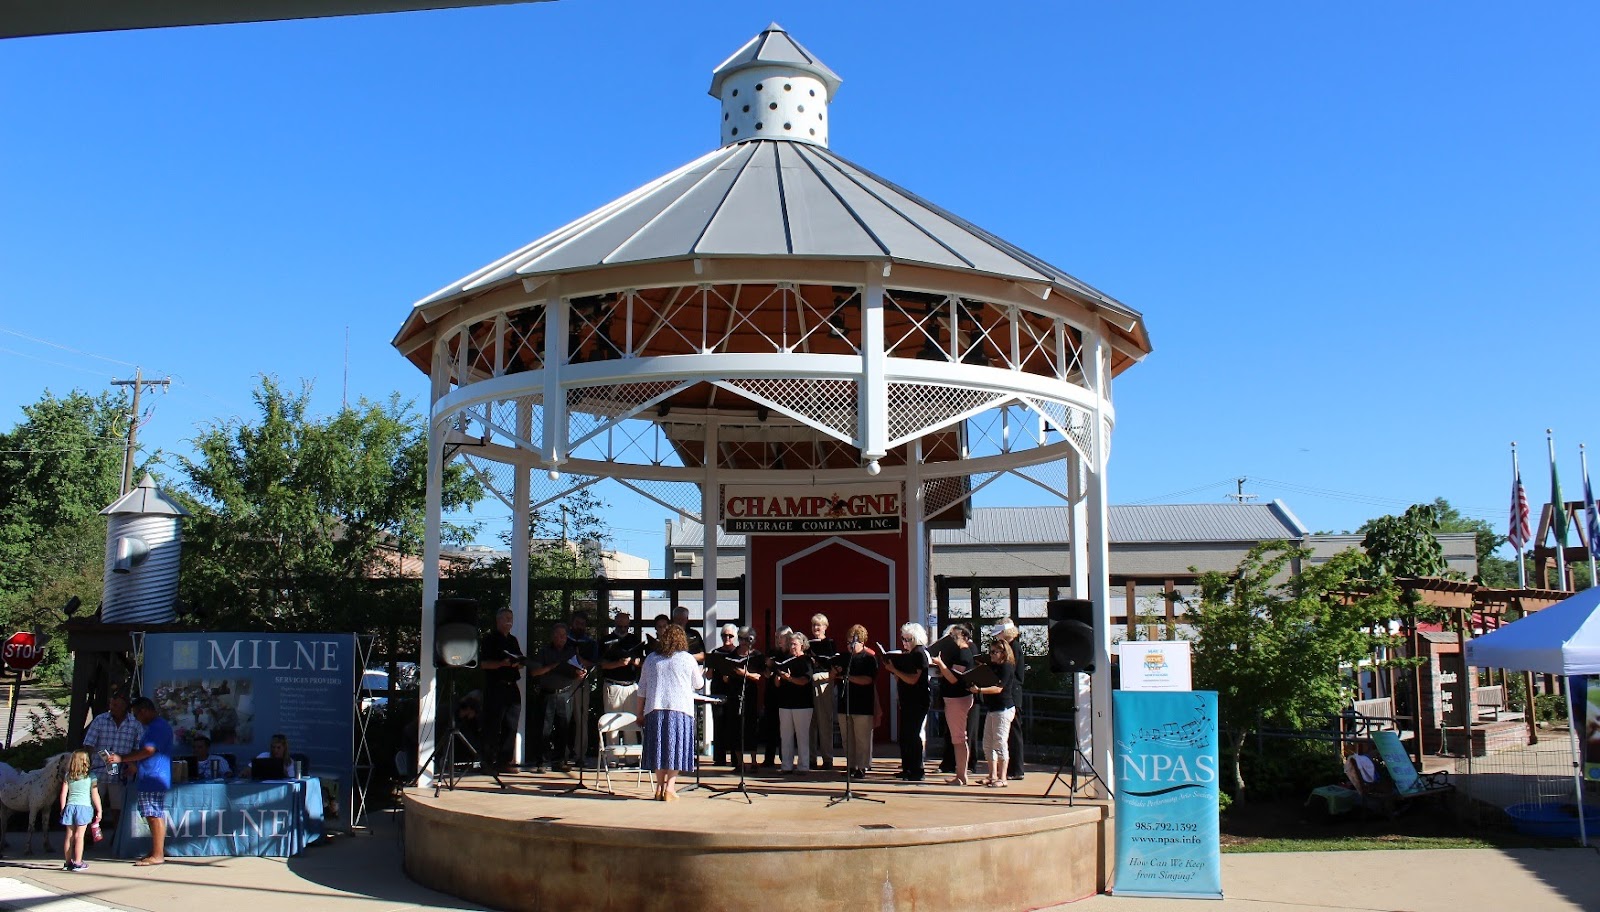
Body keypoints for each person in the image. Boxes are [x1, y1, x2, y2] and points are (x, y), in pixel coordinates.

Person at [104, 696, 173, 866]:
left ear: (144, 711)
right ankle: (158, 850)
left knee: (153, 815)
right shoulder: (158, 726)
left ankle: (157, 855)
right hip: (153, 775)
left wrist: (121, 758)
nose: (136, 718)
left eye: (136, 714)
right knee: (154, 814)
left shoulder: (156, 728)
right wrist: (135, 766)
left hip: (153, 777)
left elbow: (148, 750)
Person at [637, 623, 700, 801]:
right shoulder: (687, 659)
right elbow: (698, 684)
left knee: (659, 749)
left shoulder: (651, 659)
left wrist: (639, 713)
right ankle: (670, 788)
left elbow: (642, 688)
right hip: (680, 709)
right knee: (675, 748)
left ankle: (659, 788)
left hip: (655, 709)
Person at [528, 623, 586, 771]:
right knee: (544, 729)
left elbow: (578, 671)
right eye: (559, 635)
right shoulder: (544, 651)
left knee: (563, 728)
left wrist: (580, 674)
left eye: (564, 636)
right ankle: (541, 761)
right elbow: (534, 672)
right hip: (548, 693)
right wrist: (552, 667)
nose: (562, 638)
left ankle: (558, 761)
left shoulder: (571, 652)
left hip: (565, 693)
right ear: (553, 636)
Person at [82, 692, 142, 829]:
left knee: (119, 807)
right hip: (98, 771)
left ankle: (117, 834)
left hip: (121, 774)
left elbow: (138, 748)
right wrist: (86, 764)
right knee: (91, 805)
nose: (112, 707)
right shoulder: (100, 720)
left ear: (124, 706)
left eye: (116, 705)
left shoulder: (134, 724)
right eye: (111, 704)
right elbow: (89, 743)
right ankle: (87, 835)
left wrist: (132, 764)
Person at [710, 626, 764, 771]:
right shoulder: (732, 655)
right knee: (735, 728)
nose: (743, 642)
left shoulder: (757, 655)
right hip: (734, 694)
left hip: (750, 694)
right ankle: (739, 762)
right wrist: (727, 675)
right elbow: (726, 678)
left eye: (746, 639)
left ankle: (753, 761)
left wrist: (743, 673)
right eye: (740, 638)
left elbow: (758, 676)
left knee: (751, 727)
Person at [882, 622, 931, 782]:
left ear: (916, 638)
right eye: (903, 639)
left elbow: (913, 679)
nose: (904, 642)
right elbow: (901, 679)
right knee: (905, 736)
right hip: (907, 699)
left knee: (913, 735)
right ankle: (907, 768)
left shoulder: (919, 654)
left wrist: (894, 670)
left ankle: (917, 770)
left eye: (908, 639)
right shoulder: (909, 654)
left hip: (918, 700)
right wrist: (894, 669)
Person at [478, 607, 524, 774]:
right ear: (498, 620)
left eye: (510, 617)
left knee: (511, 725)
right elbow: (483, 664)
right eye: (505, 617)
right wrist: (502, 663)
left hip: (512, 686)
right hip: (495, 686)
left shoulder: (513, 640)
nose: (509, 621)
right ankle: (487, 761)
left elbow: (520, 659)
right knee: (492, 724)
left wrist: (518, 662)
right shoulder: (489, 640)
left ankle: (504, 761)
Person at [971, 638, 1021, 788]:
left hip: (1003, 708)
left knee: (1000, 742)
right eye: (990, 651)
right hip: (993, 708)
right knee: (988, 743)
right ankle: (992, 775)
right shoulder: (993, 666)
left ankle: (1003, 777)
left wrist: (979, 690)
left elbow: (998, 688)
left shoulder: (1006, 667)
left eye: (995, 652)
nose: (991, 655)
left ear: (1003, 653)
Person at [931, 624, 976, 786]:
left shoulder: (963, 653)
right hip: (955, 698)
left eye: (954, 636)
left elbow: (953, 679)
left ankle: (961, 775)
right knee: (957, 737)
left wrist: (940, 664)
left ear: (963, 636)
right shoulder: (962, 652)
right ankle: (961, 774)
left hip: (958, 699)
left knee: (958, 738)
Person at [833, 624, 878, 779]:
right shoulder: (844, 658)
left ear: (862, 642)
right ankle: (851, 765)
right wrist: (834, 671)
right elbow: (833, 677)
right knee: (847, 738)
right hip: (844, 703)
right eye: (847, 642)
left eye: (853, 642)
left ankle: (862, 766)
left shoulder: (869, 659)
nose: (849, 645)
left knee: (862, 738)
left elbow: (868, 680)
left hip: (862, 704)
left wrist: (847, 677)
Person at [771, 631, 814, 774]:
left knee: (802, 736)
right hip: (785, 702)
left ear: (802, 645)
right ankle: (787, 765)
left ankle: (803, 766)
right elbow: (777, 684)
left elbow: (804, 681)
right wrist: (778, 678)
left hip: (802, 704)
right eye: (790, 644)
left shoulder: (806, 660)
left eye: (794, 644)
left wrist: (789, 679)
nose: (792, 647)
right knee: (786, 735)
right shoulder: (785, 660)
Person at [599, 612, 644, 746]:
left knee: (631, 722)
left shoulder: (634, 640)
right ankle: (612, 757)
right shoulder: (606, 640)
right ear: (615, 624)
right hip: (613, 686)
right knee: (611, 723)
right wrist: (618, 663)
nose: (623, 629)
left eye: (625, 626)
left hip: (630, 686)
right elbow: (602, 664)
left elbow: (643, 662)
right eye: (620, 626)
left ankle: (631, 758)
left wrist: (633, 662)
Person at [993, 618, 1026, 780]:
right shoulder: (1012, 647)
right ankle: (1013, 768)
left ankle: (1017, 769)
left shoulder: (1014, 648)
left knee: (1014, 732)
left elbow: (1014, 673)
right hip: (1011, 693)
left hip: (1013, 694)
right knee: (1011, 732)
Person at [57, 749, 101, 872]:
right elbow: (95, 794)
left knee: (69, 836)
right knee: (79, 836)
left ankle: (67, 862)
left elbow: (63, 793)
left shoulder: (68, 776)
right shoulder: (91, 776)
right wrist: (99, 810)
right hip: (84, 807)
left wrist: (62, 807)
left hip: (70, 806)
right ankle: (78, 862)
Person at [807, 613, 838, 770]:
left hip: (824, 682)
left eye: (819, 625)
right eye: (814, 625)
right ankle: (811, 758)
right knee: (810, 723)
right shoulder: (807, 644)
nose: (816, 628)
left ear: (825, 627)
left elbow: (833, 663)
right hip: (809, 683)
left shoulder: (830, 643)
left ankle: (827, 758)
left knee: (824, 721)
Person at [759, 626, 792, 769]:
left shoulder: (791, 653)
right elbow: (765, 671)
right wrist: (766, 668)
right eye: (777, 637)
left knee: (785, 729)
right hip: (771, 694)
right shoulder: (772, 652)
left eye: (782, 637)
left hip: (786, 694)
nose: (779, 640)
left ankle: (785, 759)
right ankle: (769, 758)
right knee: (770, 727)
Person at [568, 612, 599, 763]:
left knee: (581, 718)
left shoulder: (590, 643)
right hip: (565, 680)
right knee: (564, 718)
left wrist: (580, 660)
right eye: (577, 623)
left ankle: (580, 753)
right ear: (572, 623)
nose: (579, 626)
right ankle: (563, 753)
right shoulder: (565, 639)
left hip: (581, 681)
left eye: (582, 623)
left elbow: (593, 662)